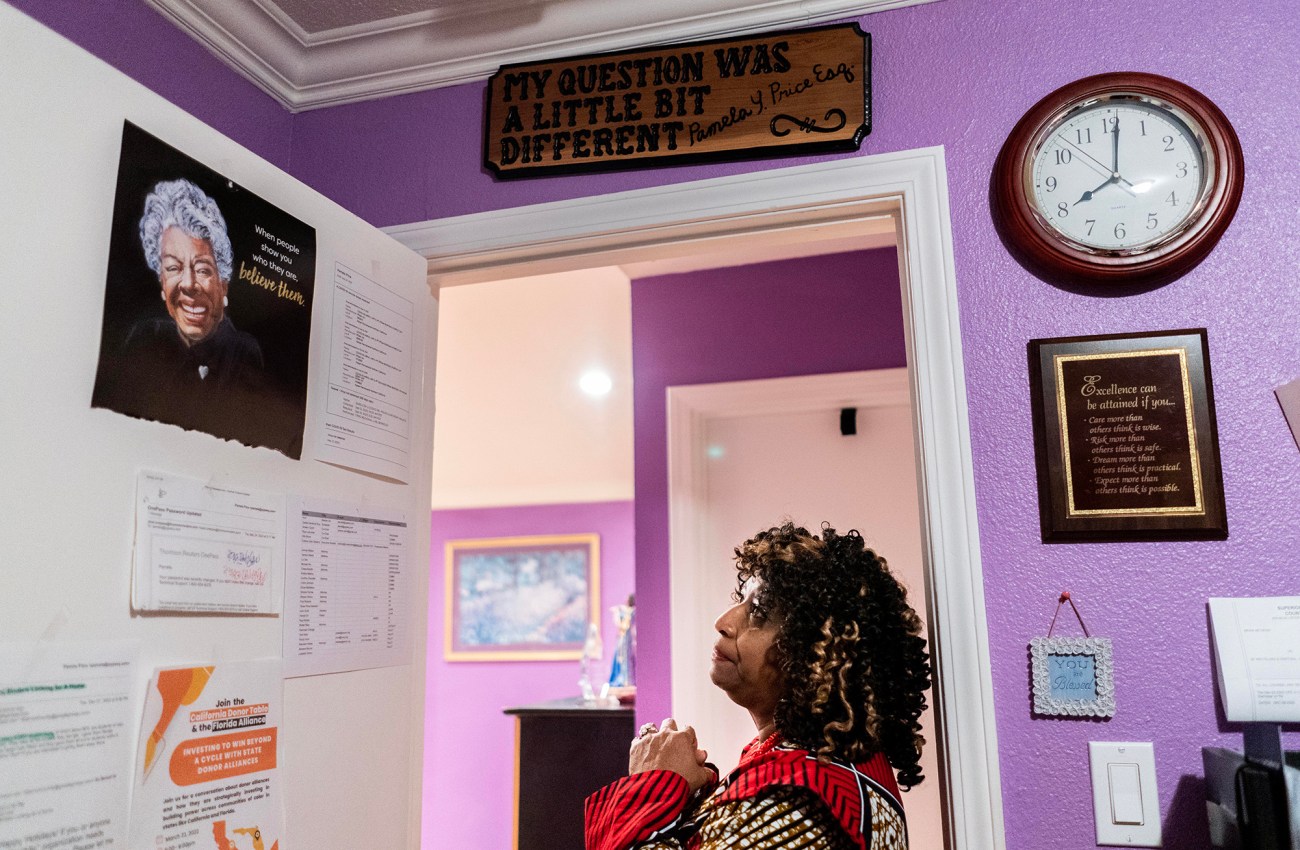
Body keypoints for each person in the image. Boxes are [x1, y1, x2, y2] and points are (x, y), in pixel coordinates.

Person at [585, 522, 931, 850]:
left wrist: (652, 787)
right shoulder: (811, 763)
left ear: (816, 653)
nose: (723, 622)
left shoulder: (798, 800)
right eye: (741, 600)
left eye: (759, 613)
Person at [108, 178, 265, 439]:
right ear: (162, 283)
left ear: (223, 284)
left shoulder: (243, 355)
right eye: (173, 268)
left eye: (203, 269)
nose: (189, 284)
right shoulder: (143, 341)